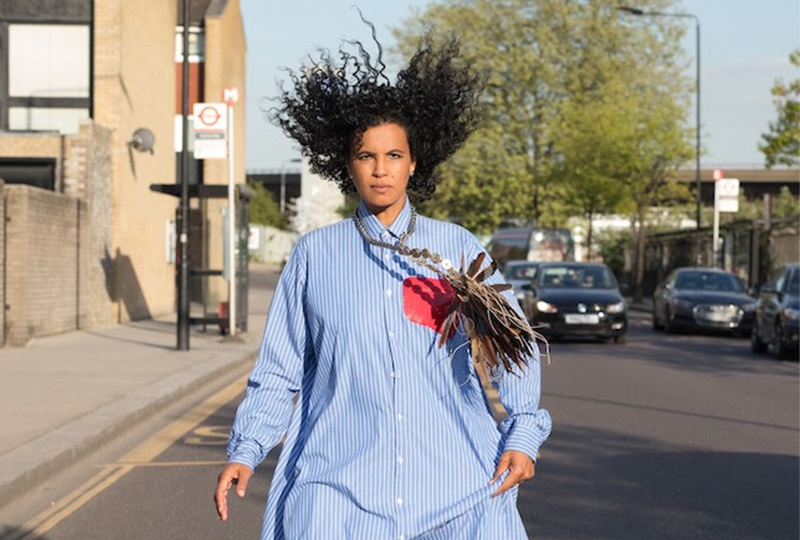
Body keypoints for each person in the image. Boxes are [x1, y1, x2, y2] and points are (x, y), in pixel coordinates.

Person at [214, 28, 552, 540]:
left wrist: (523, 434)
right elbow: (280, 369)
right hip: (339, 489)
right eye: (366, 156)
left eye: (393, 156)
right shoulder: (314, 256)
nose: (380, 170)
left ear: (414, 163)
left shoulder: (457, 248)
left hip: (454, 488)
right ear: (345, 164)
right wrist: (247, 449)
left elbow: (516, 349)